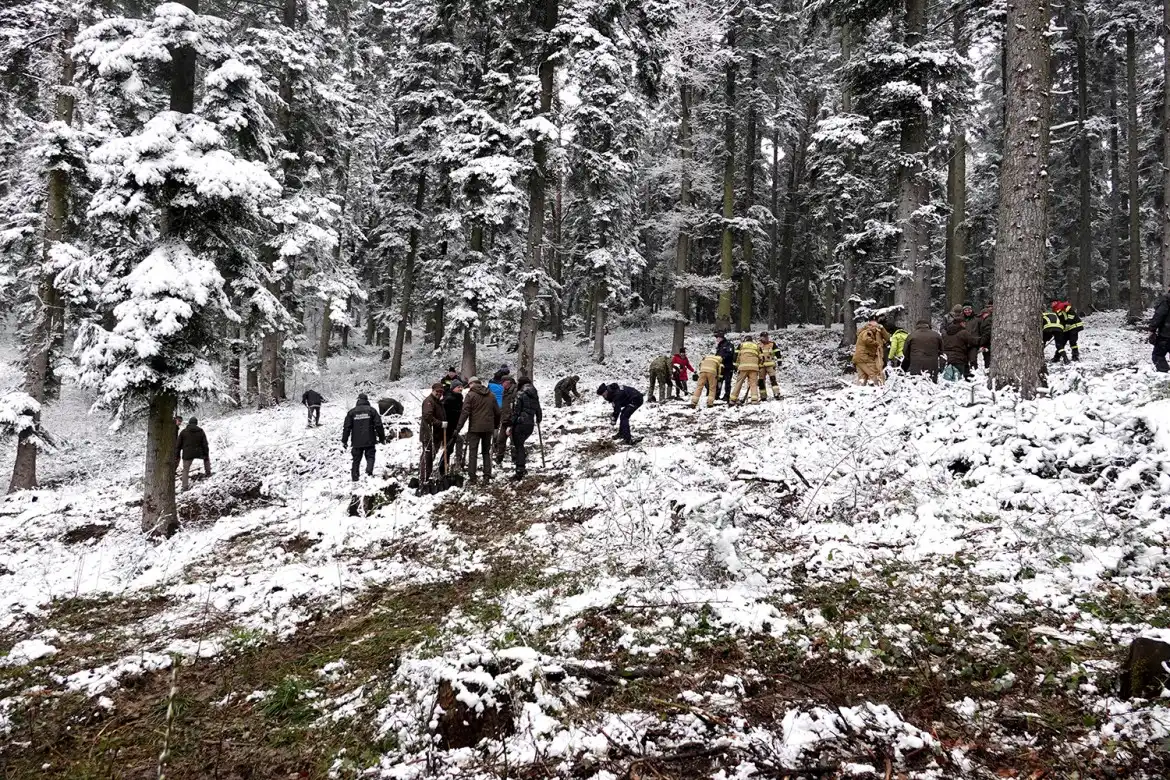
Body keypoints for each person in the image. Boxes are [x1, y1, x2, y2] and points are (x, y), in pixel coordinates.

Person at [457, 376, 501, 484]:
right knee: (486, 452)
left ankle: (472, 476)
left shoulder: (470, 395)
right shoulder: (491, 395)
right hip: (488, 428)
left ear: (472, 384)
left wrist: (458, 427)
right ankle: (487, 474)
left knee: (473, 452)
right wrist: (495, 426)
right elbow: (498, 412)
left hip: (474, 428)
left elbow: (465, 412)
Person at [342, 393, 386, 482]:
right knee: (370, 457)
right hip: (370, 440)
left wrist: (344, 440)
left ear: (358, 400)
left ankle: (355, 477)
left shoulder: (352, 412)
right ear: (367, 400)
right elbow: (378, 425)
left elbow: (347, 427)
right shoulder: (372, 411)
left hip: (356, 441)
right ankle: (368, 473)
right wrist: (382, 438)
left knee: (356, 460)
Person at [508, 377, 542, 480]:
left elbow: (516, 410)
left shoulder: (520, 394)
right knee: (520, 445)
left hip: (520, 423)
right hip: (530, 423)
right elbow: (538, 409)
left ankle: (520, 469)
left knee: (519, 446)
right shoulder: (534, 394)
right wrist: (538, 419)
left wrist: (511, 423)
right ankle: (521, 465)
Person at [419, 384, 447, 482]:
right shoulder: (429, 402)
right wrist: (440, 423)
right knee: (427, 457)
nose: (439, 393)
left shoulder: (438, 402)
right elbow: (427, 416)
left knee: (431, 456)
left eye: (441, 392)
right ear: (433, 390)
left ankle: (428, 475)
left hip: (436, 434)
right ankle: (424, 478)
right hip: (429, 434)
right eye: (437, 391)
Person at [176, 417, 211, 492]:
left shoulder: (183, 432)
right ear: (196, 423)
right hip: (198, 452)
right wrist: (206, 454)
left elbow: (178, 445)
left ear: (189, 423)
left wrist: (177, 455)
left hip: (187, 454)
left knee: (185, 469)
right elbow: (205, 444)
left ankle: (185, 486)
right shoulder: (201, 431)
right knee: (206, 459)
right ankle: (208, 473)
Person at [852, 319, 889, 386]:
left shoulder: (877, 332)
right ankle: (879, 388)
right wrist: (876, 344)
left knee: (862, 377)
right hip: (864, 357)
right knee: (874, 372)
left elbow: (887, 338)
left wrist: (882, 329)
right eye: (875, 326)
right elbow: (866, 340)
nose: (876, 328)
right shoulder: (867, 332)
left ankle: (860, 391)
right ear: (870, 326)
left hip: (862, 357)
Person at [493, 375, 517, 465]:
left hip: (513, 421)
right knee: (500, 440)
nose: (501, 385)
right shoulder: (505, 392)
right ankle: (499, 458)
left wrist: (512, 421)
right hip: (504, 420)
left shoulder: (515, 391)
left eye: (502, 383)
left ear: (507, 382)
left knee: (513, 441)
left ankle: (515, 459)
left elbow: (514, 408)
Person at [731, 334, 762, 404]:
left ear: (745, 340)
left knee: (739, 383)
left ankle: (733, 399)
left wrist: (735, 367)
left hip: (743, 367)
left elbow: (736, 356)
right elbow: (761, 358)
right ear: (752, 340)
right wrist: (759, 366)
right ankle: (754, 400)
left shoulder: (741, 345)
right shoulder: (757, 346)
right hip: (754, 368)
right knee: (753, 384)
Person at [443, 382, 465, 469]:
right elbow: (445, 415)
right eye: (458, 387)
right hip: (449, 428)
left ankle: (456, 462)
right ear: (453, 388)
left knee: (458, 442)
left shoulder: (458, 398)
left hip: (455, 428)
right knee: (449, 448)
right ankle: (444, 466)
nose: (460, 389)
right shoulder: (449, 399)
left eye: (461, 387)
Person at [1150, 285, 1170, 372]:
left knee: (1157, 355)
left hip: (1166, 335)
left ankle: (1163, 374)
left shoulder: (1166, 300)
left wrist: (1152, 328)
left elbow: (1159, 315)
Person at [757, 332, 780, 400]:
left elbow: (777, 352)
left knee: (773, 379)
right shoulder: (757, 345)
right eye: (764, 337)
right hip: (761, 366)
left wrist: (779, 360)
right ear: (761, 337)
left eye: (767, 336)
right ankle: (763, 396)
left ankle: (776, 393)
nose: (766, 338)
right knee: (761, 381)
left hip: (770, 365)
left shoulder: (772, 344)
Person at [715, 333, 735, 401]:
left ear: (721, 338)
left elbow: (730, 354)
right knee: (719, 381)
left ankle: (727, 396)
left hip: (727, 367)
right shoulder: (719, 346)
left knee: (727, 382)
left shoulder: (728, 345)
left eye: (717, 337)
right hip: (720, 368)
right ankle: (717, 395)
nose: (717, 339)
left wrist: (721, 358)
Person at [977, 301, 994, 369]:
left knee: (988, 359)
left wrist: (981, 343)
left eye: (982, 315)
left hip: (987, 343)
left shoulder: (987, 320)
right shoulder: (986, 320)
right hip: (987, 343)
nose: (981, 317)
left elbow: (987, 332)